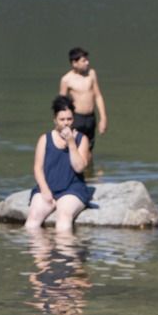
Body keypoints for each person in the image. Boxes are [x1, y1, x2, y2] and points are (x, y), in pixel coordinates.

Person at [25, 95, 94, 232]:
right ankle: (40, 252)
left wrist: (71, 143)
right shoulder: (45, 139)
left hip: (72, 189)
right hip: (48, 186)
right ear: (55, 120)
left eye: (69, 119)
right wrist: (45, 190)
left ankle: (64, 253)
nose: (66, 123)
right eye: (62, 119)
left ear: (74, 119)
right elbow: (38, 168)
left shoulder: (82, 139)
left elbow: (79, 167)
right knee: (32, 221)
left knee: (63, 218)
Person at [58, 46, 108, 146]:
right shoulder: (67, 79)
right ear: (74, 63)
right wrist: (62, 124)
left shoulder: (91, 74)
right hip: (76, 118)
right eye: (84, 61)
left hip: (90, 118)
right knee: (75, 146)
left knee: (89, 148)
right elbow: (61, 104)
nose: (87, 63)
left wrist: (103, 118)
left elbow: (98, 96)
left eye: (87, 60)